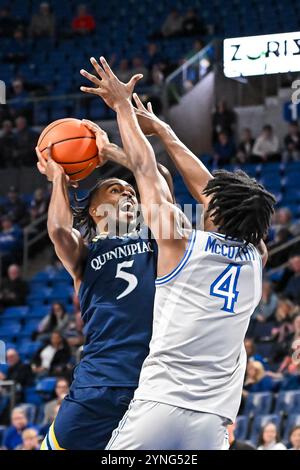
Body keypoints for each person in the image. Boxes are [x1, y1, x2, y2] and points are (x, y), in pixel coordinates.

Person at [80, 56, 275, 450]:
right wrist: (165, 132)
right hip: (213, 420)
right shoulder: (258, 257)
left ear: (215, 211)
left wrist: (123, 109)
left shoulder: (181, 243)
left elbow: (146, 170)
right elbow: (212, 194)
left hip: (160, 405)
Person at [36, 91, 175, 448]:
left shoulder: (158, 237)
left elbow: (157, 175)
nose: (128, 194)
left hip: (154, 382)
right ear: (96, 211)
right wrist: (58, 180)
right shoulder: (84, 252)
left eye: (131, 191)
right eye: (116, 190)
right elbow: (57, 230)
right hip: (99, 380)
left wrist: (110, 152)